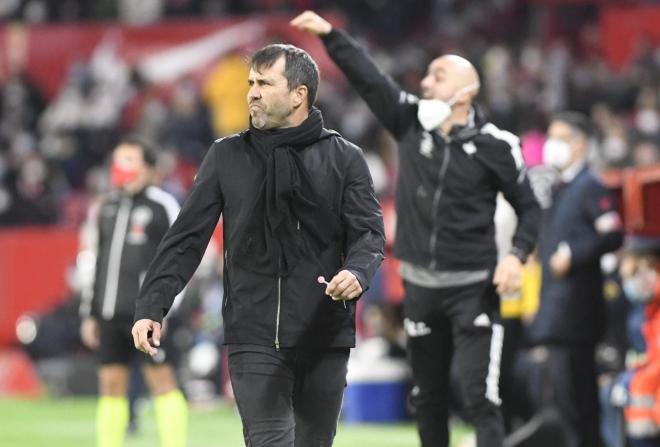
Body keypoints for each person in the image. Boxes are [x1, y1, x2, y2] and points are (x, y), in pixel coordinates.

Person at [292, 11, 542, 447]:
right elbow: (371, 79)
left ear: (468, 91)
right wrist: (333, 37)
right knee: (427, 397)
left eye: (438, 76)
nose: (426, 84)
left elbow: (530, 208)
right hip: (420, 286)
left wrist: (517, 257)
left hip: (473, 288)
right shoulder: (409, 122)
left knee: (480, 396)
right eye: (427, 76)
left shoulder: (497, 146)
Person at [131, 44, 385, 447]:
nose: (251, 92)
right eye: (251, 82)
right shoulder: (225, 155)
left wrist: (357, 272)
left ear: (299, 94)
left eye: (265, 83)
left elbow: (369, 234)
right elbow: (186, 238)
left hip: (324, 331)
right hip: (253, 331)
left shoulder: (345, 158)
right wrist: (151, 306)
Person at [79, 136, 188, 447]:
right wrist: (90, 312)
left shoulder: (162, 206)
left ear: (150, 169)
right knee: (111, 384)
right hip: (110, 313)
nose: (121, 167)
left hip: (148, 316)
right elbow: (93, 261)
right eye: (118, 160)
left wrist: (164, 310)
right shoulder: (104, 207)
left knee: (162, 382)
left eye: (129, 160)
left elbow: (179, 259)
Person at [527, 112, 624, 447]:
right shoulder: (561, 188)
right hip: (557, 312)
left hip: (576, 314)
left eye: (559, 137)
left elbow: (613, 235)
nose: (551, 145)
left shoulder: (591, 186)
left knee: (578, 404)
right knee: (568, 404)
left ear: (579, 143)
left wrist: (574, 253)